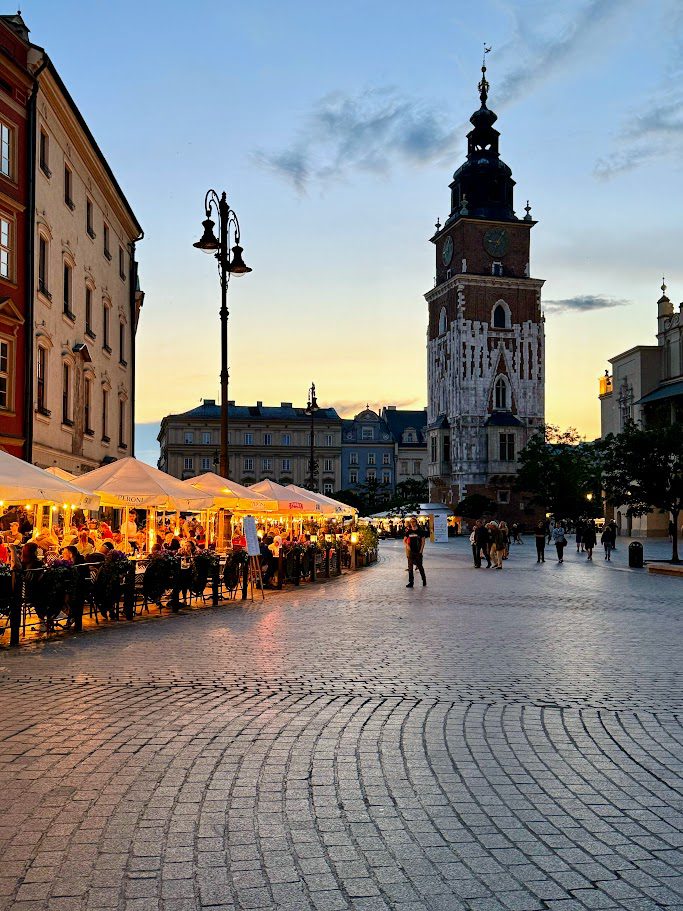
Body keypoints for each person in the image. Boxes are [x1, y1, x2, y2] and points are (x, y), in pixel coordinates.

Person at [403, 517, 427, 587]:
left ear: (416, 522)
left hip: (418, 552)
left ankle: (424, 580)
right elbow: (404, 540)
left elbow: (423, 542)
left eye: (413, 521)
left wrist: (421, 551)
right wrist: (407, 545)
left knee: (420, 566)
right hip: (411, 552)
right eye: (411, 522)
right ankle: (411, 582)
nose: (412, 523)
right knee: (410, 568)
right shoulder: (409, 531)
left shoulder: (420, 531)